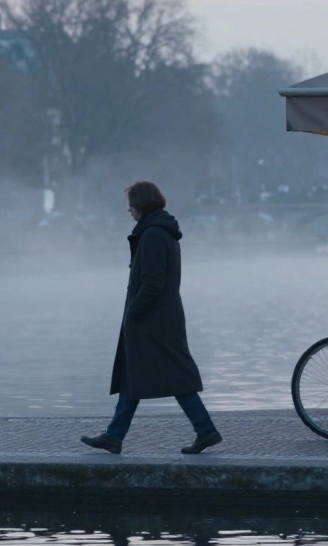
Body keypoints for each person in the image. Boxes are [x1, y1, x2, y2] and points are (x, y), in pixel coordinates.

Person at [81, 181, 222, 455]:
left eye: (131, 204)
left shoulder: (153, 235)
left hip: (154, 321)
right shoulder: (158, 231)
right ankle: (115, 435)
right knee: (135, 377)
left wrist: (133, 312)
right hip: (159, 318)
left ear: (142, 204)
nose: (128, 210)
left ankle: (205, 430)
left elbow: (153, 284)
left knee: (173, 377)